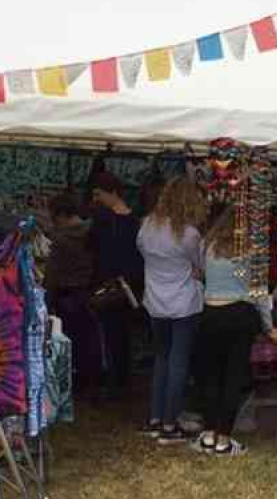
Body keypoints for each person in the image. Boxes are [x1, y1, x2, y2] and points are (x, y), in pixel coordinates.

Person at [194, 205, 277, 456]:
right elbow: (259, 295)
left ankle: (210, 435)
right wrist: (269, 328)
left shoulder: (206, 245)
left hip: (210, 313)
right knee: (232, 378)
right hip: (238, 315)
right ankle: (224, 439)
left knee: (211, 377)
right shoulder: (251, 250)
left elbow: (200, 276)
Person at [137, 177, 207, 444]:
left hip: (155, 302)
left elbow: (143, 254)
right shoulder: (189, 234)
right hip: (184, 303)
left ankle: (155, 418)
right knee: (179, 362)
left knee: (162, 359)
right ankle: (169, 423)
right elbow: (200, 266)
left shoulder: (146, 227)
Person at [88, 172, 144, 396]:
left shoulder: (102, 219)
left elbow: (92, 248)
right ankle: (122, 379)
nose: (96, 198)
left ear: (112, 192)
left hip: (108, 285)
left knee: (110, 335)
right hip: (129, 287)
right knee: (123, 335)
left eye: (99, 193)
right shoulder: (135, 221)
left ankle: (114, 381)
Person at [45, 192, 103, 395]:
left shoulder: (61, 240)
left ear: (61, 215)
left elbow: (52, 275)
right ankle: (93, 381)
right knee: (90, 340)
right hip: (89, 294)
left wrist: (47, 300)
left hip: (66, 296)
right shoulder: (93, 231)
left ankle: (75, 385)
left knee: (71, 344)